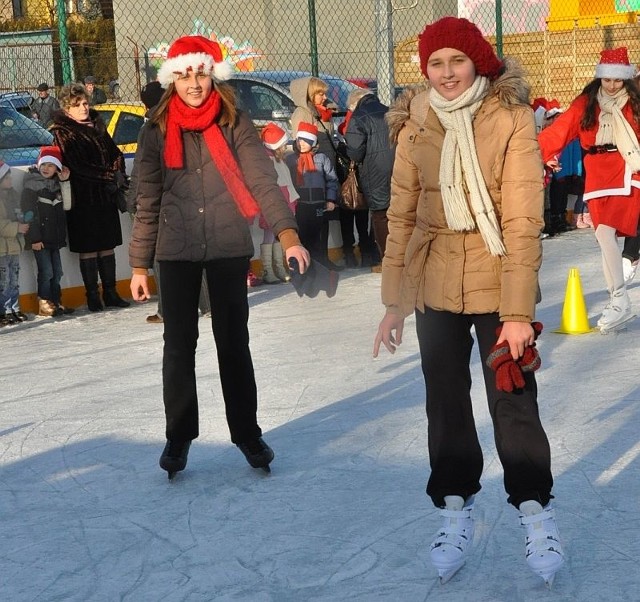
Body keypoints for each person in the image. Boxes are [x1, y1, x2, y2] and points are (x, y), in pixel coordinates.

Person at [373, 17, 563, 586]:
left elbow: (524, 220)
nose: (447, 73)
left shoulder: (508, 119)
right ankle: (454, 507)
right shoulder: (414, 125)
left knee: (512, 396)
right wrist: (393, 303)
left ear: (477, 62)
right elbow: (401, 216)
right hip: (433, 279)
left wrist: (515, 313)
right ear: (424, 69)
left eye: (457, 61)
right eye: (436, 63)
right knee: (445, 398)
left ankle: (535, 511)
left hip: (497, 266)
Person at [128, 35, 309, 478]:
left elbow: (262, 180)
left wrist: (289, 236)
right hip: (175, 250)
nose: (194, 82)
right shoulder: (155, 129)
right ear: (173, 79)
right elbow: (146, 198)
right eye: (185, 74)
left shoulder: (235, 122)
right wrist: (138, 265)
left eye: (201, 72)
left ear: (213, 75)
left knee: (233, 345)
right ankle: (178, 436)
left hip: (228, 245)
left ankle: (247, 432)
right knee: (178, 346)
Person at [539, 47, 640, 332]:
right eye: (607, 79)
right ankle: (618, 299)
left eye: (617, 80)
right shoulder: (587, 102)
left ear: (625, 80)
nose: (611, 85)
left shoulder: (634, 102)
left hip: (626, 168)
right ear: (600, 77)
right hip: (596, 174)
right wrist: (538, 151)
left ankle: (619, 299)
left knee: (606, 232)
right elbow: (561, 129)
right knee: (601, 235)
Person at [50, 83, 130, 312]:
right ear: (67, 108)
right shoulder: (62, 131)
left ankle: (111, 292)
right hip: (83, 197)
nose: (84, 107)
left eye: (85, 103)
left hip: (104, 196)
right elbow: (78, 166)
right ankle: (93, 295)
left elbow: (116, 153)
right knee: (88, 246)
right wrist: (108, 175)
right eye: (78, 105)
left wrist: (117, 172)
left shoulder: (97, 126)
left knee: (107, 245)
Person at [290, 76, 343, 270]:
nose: (324, 96)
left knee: (323, 221)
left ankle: (323, 258)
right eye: (320, 93)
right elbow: (300, 143)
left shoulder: (324, 112)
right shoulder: (303, 114)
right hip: (310, 171)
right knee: (308, 226)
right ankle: (312, 260)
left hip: (323, 168)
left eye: (325, 93)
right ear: (310, 94)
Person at [343, 87, 395, 270]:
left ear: (354, 104)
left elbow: (355, 152)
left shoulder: (359, 117)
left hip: (374, 173)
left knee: (380, 216)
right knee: (399, 215)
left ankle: (387, 260)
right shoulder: (390, 110)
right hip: (398, 169)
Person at [20, 146, 74, 317]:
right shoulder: (31, 187)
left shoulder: (57, 186)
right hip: (40, 238)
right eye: (44, 164)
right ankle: (44, 302)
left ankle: (55, 301)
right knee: (47, 271)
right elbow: (27, 213)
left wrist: (65, 182)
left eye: (51, 165)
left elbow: (67, 205)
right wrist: (34, 238)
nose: (46, 168)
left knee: (57, 272)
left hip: (54, 238)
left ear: (57, 168)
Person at [285, 122, 339, 266]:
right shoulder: (291, 159)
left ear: (313, 143)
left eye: (306, 141)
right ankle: (306, 263)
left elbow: (332, 180)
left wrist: (330, 199)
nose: (302, 144)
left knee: (320, 235)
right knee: (303, 235)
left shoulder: (322, 159)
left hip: (319, 204)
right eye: (299, 140)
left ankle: (323, 261)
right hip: (300, 205)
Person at [259, 122, 299, 283]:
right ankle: (268, 270)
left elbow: (287, 182)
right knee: (269, 235)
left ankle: (280, 267)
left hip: (285, 201)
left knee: (278, 237)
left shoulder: (280, 161)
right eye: (282, 145)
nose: (284, 148)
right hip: (273, 203)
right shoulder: (267, 161)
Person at [0, 160, 30, 326]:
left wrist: (24, 221)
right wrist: (17, 227)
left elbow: (19, 213)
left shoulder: (13, 196)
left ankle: (14, 308)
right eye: (6, 178)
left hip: (14, 246)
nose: (10, 180)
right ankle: (3, 311)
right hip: (2, 249)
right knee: (3, 282)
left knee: (14, 280)